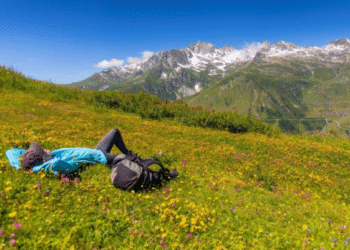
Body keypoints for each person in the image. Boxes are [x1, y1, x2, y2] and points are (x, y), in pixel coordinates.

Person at [19, 128, 135, 173]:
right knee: (131, 160)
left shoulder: (53, 155)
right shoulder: (57, 164)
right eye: (43, 151)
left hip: (94, 151)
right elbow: (53, 164)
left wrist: (20, 164)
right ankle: (140, 160)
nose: (45, 149)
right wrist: (34, 170)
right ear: (44, 159)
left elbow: (11, 152)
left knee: (114, 132)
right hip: (99, 158)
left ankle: (128, 153)